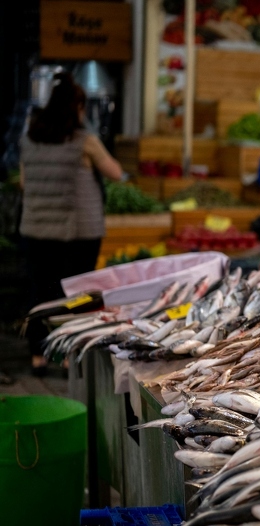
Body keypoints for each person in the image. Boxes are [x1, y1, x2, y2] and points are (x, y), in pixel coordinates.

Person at [19, 72, 123, 375]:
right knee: (74, 293)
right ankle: (66, 356)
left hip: (36, 228)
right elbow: (115, 172)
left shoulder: (30, 139)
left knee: (39, 293)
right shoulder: (84, 141)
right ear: (77, 108)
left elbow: (24, 183)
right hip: (77, 230)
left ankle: (38, 356)